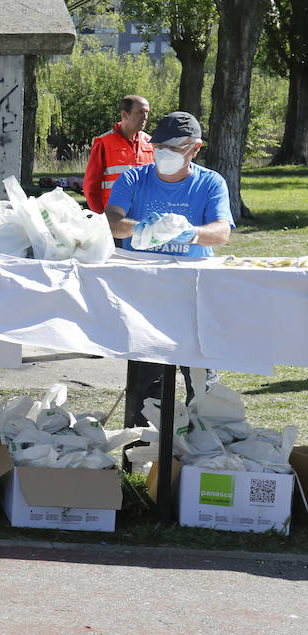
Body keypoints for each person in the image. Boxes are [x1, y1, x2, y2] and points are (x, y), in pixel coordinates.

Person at [104, 111, 231, 426]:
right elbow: (112, 221)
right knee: (146, 384)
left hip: (196, 297)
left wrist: (191, 233)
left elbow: (222, 232)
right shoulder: (134, 178)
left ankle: (202, 451)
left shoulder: (211, 183)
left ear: (194, 149)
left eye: (174, 149)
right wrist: (139, 228)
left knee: (203, 385)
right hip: (146, 297)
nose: (164, 154)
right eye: (160, 146)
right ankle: (140, 459)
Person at [83, 95, 153, 214]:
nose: (145, 117)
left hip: (144, 216)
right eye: (140, 112)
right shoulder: (104, 142)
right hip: (114, 215)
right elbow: (91, 186)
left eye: (146, 112)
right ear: (124, 115)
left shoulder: (150, 142)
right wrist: (102, 216)